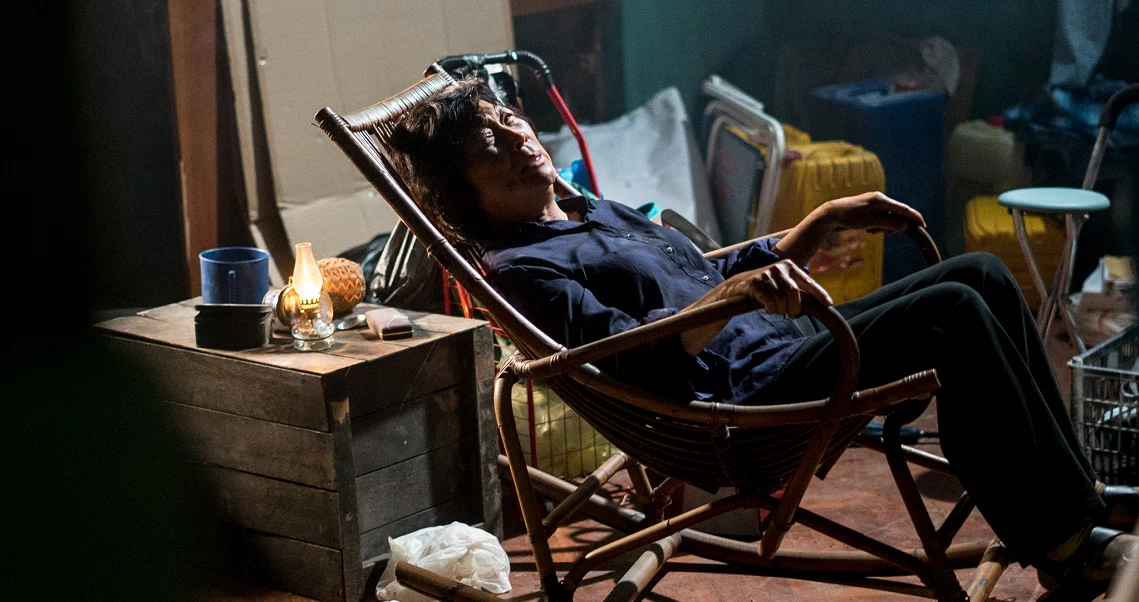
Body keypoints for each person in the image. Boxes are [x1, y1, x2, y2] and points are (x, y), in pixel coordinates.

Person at [385, 77, 1138, 600]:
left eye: (508, 120)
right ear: (466, 191)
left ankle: (1078, 498)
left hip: (769, 354)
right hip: (729, 406)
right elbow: (628, 354)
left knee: (979, 274)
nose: (514, 137)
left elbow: (700, 270)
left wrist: (817, 224)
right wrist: (729, 298)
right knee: (952, 314)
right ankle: (1065, 546)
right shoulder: (521, 268)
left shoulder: (589, 212)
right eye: (486, 142)